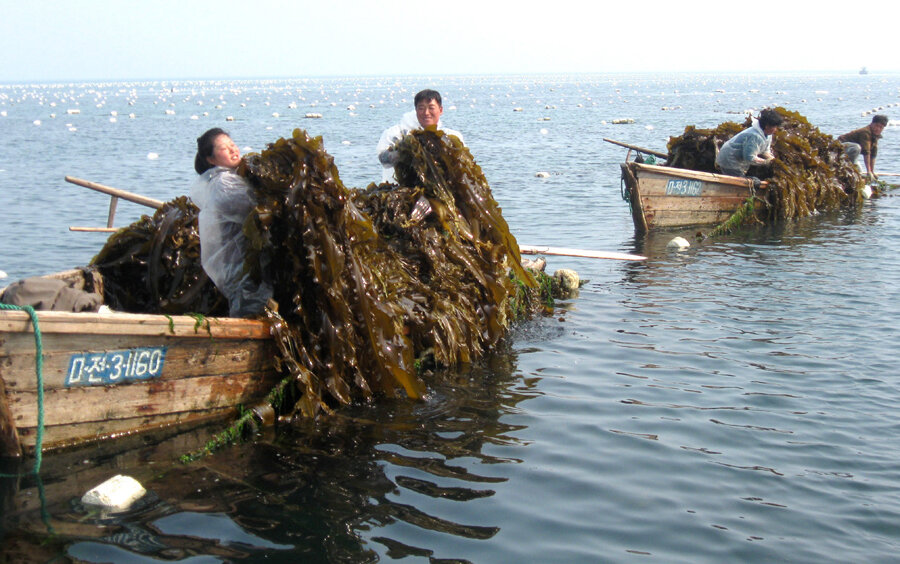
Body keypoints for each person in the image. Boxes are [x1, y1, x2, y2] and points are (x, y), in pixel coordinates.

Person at [190, 128, 272, 317]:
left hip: (243, 267)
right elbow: (257, 209)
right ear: (211, 159)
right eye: (224, 148)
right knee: (251, 311)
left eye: (233, 145)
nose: (233, 150)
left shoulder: (229, 179)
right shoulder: (224, 184)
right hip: (242, 270)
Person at [376, 89, 464, 183]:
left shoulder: (451, 136)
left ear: (440, 110)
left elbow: (461, 167)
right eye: (421, 108)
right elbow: (384, 160)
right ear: (416, 110)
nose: (426, 112)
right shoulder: (396, 133)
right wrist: (405, 153)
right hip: (399, 192)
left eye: (431, 108)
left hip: (438, 194)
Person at [715, 108, 783, 177]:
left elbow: (765, 151)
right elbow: (749, 158)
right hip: (729, 158)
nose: (776, 129)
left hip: (739, 160)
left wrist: (773, 160)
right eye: (775, 126)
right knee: (740, 178)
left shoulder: (768, 135)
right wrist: (765, 162)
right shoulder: (755, 136)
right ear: (767, 126)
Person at [838, 114, 888, 181]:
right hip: (840, 147)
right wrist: (868, 171)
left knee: (859, 171)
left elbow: (873, 154)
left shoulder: (875, 135)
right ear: (872, 124)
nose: (878, 129)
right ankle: (852, 170)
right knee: (857, 147)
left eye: (881, 127)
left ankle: (854, 170)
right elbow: (866, 152)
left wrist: (872, 172)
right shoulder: (865, 132)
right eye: (876, 126)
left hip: (850, 153)